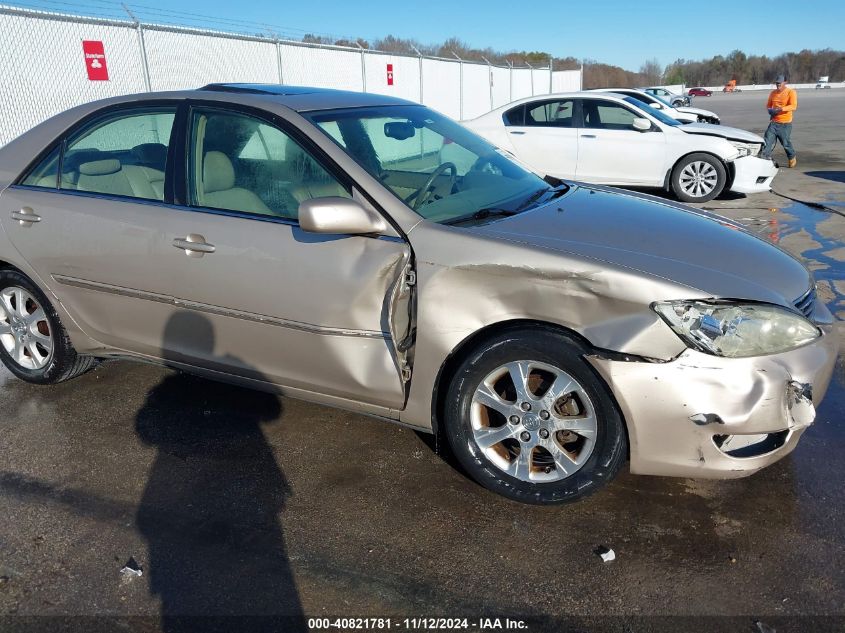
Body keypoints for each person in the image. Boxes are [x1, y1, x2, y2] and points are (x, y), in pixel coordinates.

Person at [762, 74, 798, 167]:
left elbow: (793, 106)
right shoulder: (773, 93)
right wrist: (770, 111)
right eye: (776, 83)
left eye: (779, 83)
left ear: (785, 82)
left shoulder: (791, 92)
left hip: (785, 124)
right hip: (774, 123)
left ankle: (791, 157)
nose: (778, 85)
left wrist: (780, 109)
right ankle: (764, 159)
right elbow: (768, 105)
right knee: (767, 141)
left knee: (785, 143)